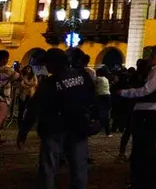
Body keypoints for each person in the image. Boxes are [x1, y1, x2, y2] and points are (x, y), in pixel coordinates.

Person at [17, 48, 97, 189]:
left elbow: (34, 107)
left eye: (47, 63)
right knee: (79, 167)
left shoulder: (49, 83)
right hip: (78, 127)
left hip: (54, 128)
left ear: (54, 64)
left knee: (49, 167)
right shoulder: (83, 77)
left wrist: (23, 130)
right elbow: (92, 100)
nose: (46, 67)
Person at [118, 44, 156, 189]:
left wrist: (125, 93)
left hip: (149, 112)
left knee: (144, 149)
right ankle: (145, 180)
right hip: (151, 112)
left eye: (152, 56)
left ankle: (145, 181)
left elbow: (147, 90)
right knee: (144, 149)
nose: (150, 59)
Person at [0, 50, 20, 142]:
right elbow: (18, 78)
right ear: (4, 59)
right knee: (1, 118)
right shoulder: (7, 70)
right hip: (2, 99)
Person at [95, 67, 113, 136]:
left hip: (100, 97)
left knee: (99, 113)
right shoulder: (106, 79)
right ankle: (108, 132)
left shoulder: (98, 79)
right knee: (107, 114)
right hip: (108, 96)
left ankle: (97, 128)